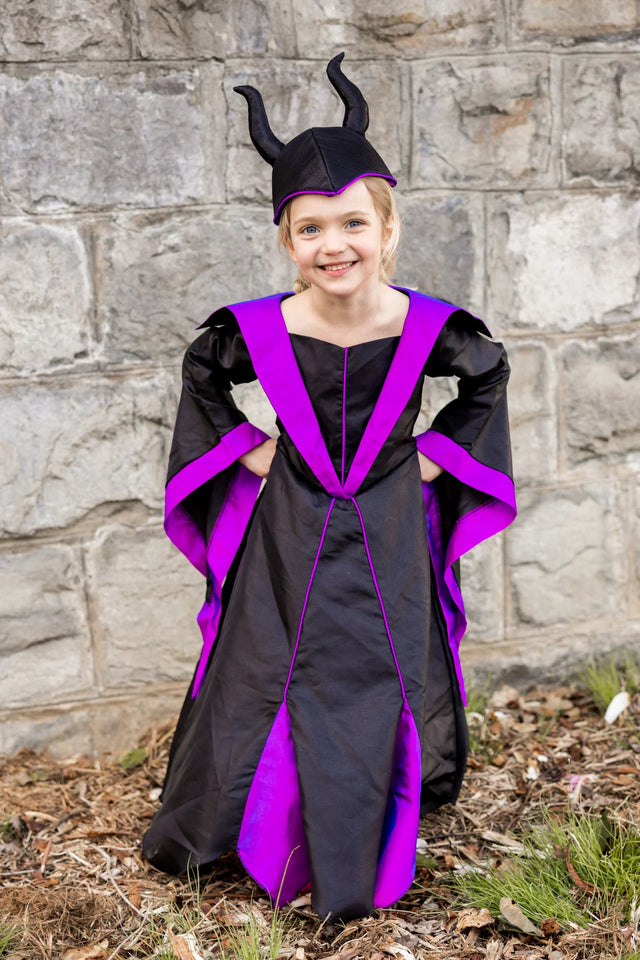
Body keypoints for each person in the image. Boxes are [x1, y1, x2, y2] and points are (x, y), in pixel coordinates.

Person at [142, 53, 516, 922]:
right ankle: (224, 825)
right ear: (287, 243)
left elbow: (487, 375)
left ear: (386, 230)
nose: (332, 244)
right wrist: (249, 452)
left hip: (385, 523)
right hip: (290, 522)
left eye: (351, 223)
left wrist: (432, 459)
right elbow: (204, 374)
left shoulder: (427, 327)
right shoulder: (261, 328)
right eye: (308, 230)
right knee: (259, 657)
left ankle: (360, 828)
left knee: (378, 659)